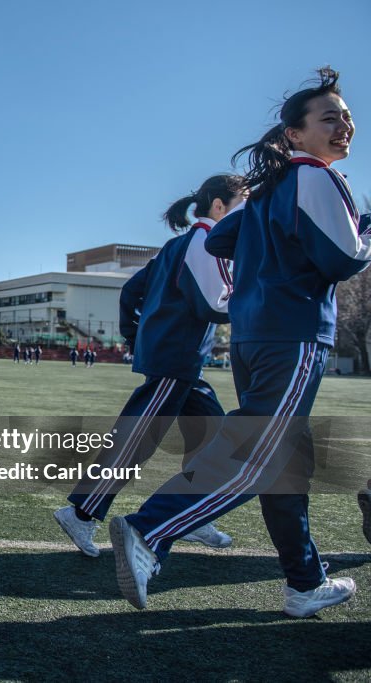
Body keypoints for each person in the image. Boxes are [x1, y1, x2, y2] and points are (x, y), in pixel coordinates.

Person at [110, 67, 368, 617]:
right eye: (330, 118)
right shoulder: (317, 177)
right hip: (294, 333)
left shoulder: (275, 186)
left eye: (346, 116)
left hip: (255, 337)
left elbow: (226, 237)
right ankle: (149, 532)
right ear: (295, 134)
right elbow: (346, 258)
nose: (345, 125)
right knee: (262, 454)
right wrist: (361, 230)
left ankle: (304, 582)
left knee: (285, 459)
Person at [54, 174, 246, 557]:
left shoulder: (177, 245)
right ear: (220, 207)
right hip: (175, 359)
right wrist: (253, 296)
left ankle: (191, 515)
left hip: (183, 362)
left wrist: (134, 334)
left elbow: (131, 291)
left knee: (213, 434)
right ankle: (81, 513)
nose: (251, 212)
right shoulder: (205, 243)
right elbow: (212, 305)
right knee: (136, 439)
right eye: (245, 202)